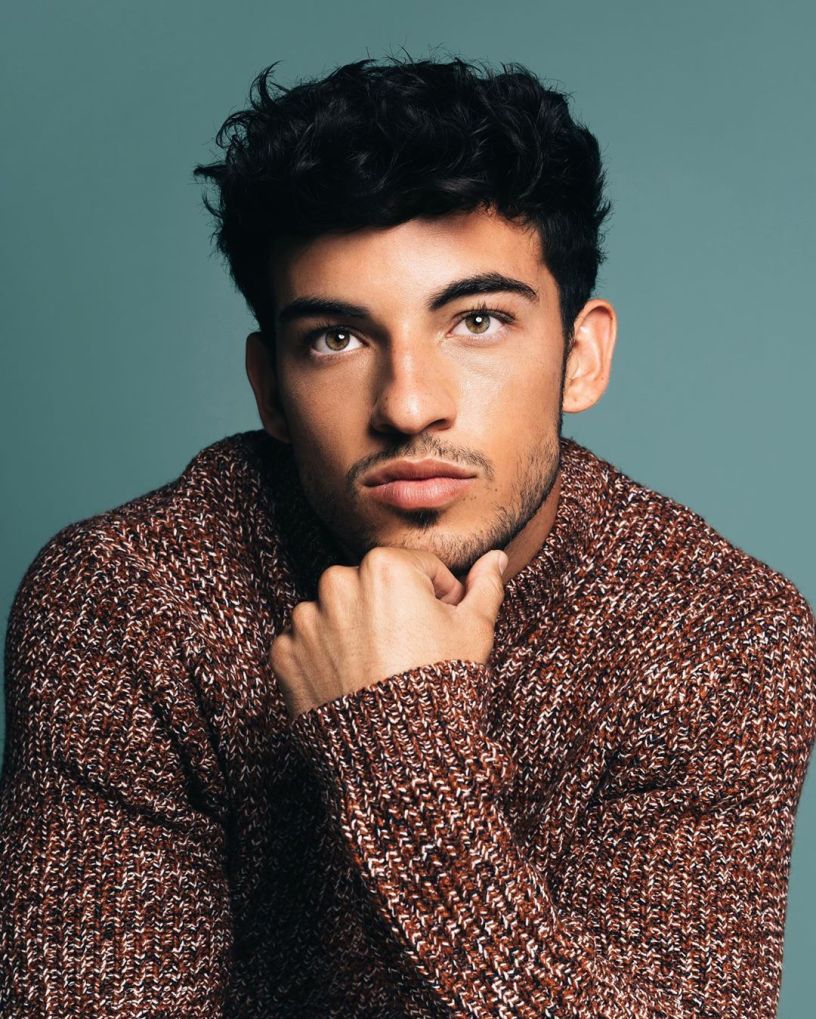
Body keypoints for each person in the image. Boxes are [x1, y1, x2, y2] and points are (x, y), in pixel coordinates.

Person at [0, 55, 813, 1018]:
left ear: (580, 355)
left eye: (478, 320)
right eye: (336, 338)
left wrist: (398, 742)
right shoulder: (126, 601)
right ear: (270, 387)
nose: (408, 404)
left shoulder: (722, 636)